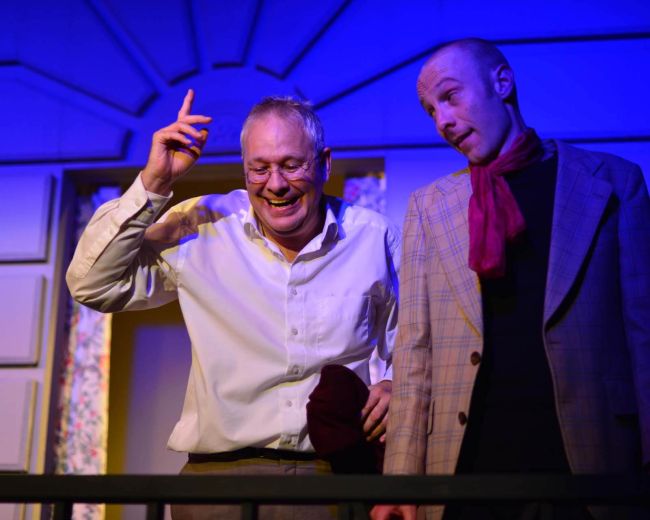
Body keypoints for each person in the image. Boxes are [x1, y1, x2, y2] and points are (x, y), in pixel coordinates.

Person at [66, 90, 400, 519]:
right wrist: (154, 183)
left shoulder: (373, 237)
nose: (275, 184)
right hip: (217, 486)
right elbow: (92, 284)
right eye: (259, 168)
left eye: (291, 165)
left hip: (331, 482)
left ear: (324, 163)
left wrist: (394, 384)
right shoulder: (203, 225)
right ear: (244, 169)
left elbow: (412, 345)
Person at [372, 38, 649, 520]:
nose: (443, 121)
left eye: (450, 96)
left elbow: (643, 332)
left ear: (502, 82)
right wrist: (401, 482)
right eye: (431, 111)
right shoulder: (430, 207)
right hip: (467, 467)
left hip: (590, 462)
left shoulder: (612, 181)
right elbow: (415, 352)